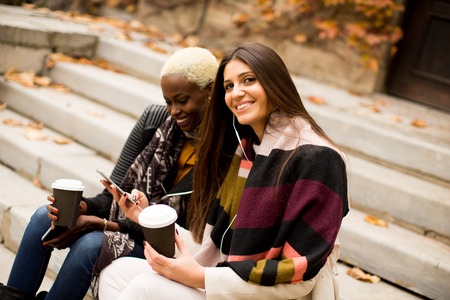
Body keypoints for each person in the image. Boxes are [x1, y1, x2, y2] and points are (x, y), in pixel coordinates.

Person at [98, 41, 349, 300]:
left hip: (267, 294)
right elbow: (213, 244)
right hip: (227, 280)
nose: (236, 93)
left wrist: (199, 277)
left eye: (248, 80)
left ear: (275, 82)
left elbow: (299, 276)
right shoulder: (249, 150)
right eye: (229, 86)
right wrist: (146, 218)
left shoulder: (318, 159)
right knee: (116, 272)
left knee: (145, 288)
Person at [2, 47, 218, 300]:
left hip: (175, 247)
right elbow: (111, 195)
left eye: (182, 101)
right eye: (168, 101)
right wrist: (86, 207)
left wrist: (104, 224)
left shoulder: (226, 152)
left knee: (91, 244)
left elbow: (175, 233)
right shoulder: (155, 121)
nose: (173, 111)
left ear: (211, 91)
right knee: (43, 217)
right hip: (131, 223)